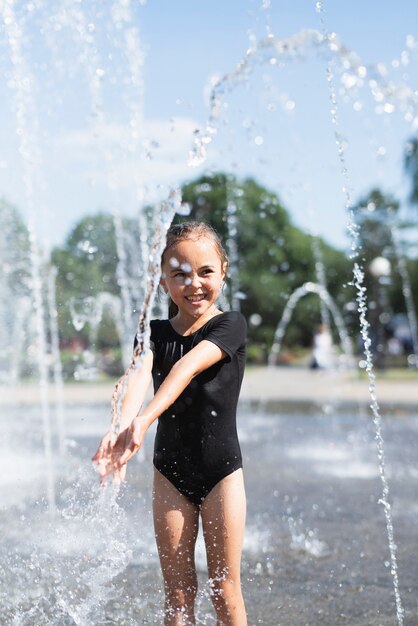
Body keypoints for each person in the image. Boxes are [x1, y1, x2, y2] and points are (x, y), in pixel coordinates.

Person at [92, 221, 248, 626]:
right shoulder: (153, 333)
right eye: (179, 274)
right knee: (178, 596)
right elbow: (136, 379)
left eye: (205, 271)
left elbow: (184, 368)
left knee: (224, 587)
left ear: (224, 270)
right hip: (170, 474)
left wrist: (144, 419)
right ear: (163, 282)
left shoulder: (230, 325)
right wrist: (121, 428)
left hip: (222, 473)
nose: (193, 283)